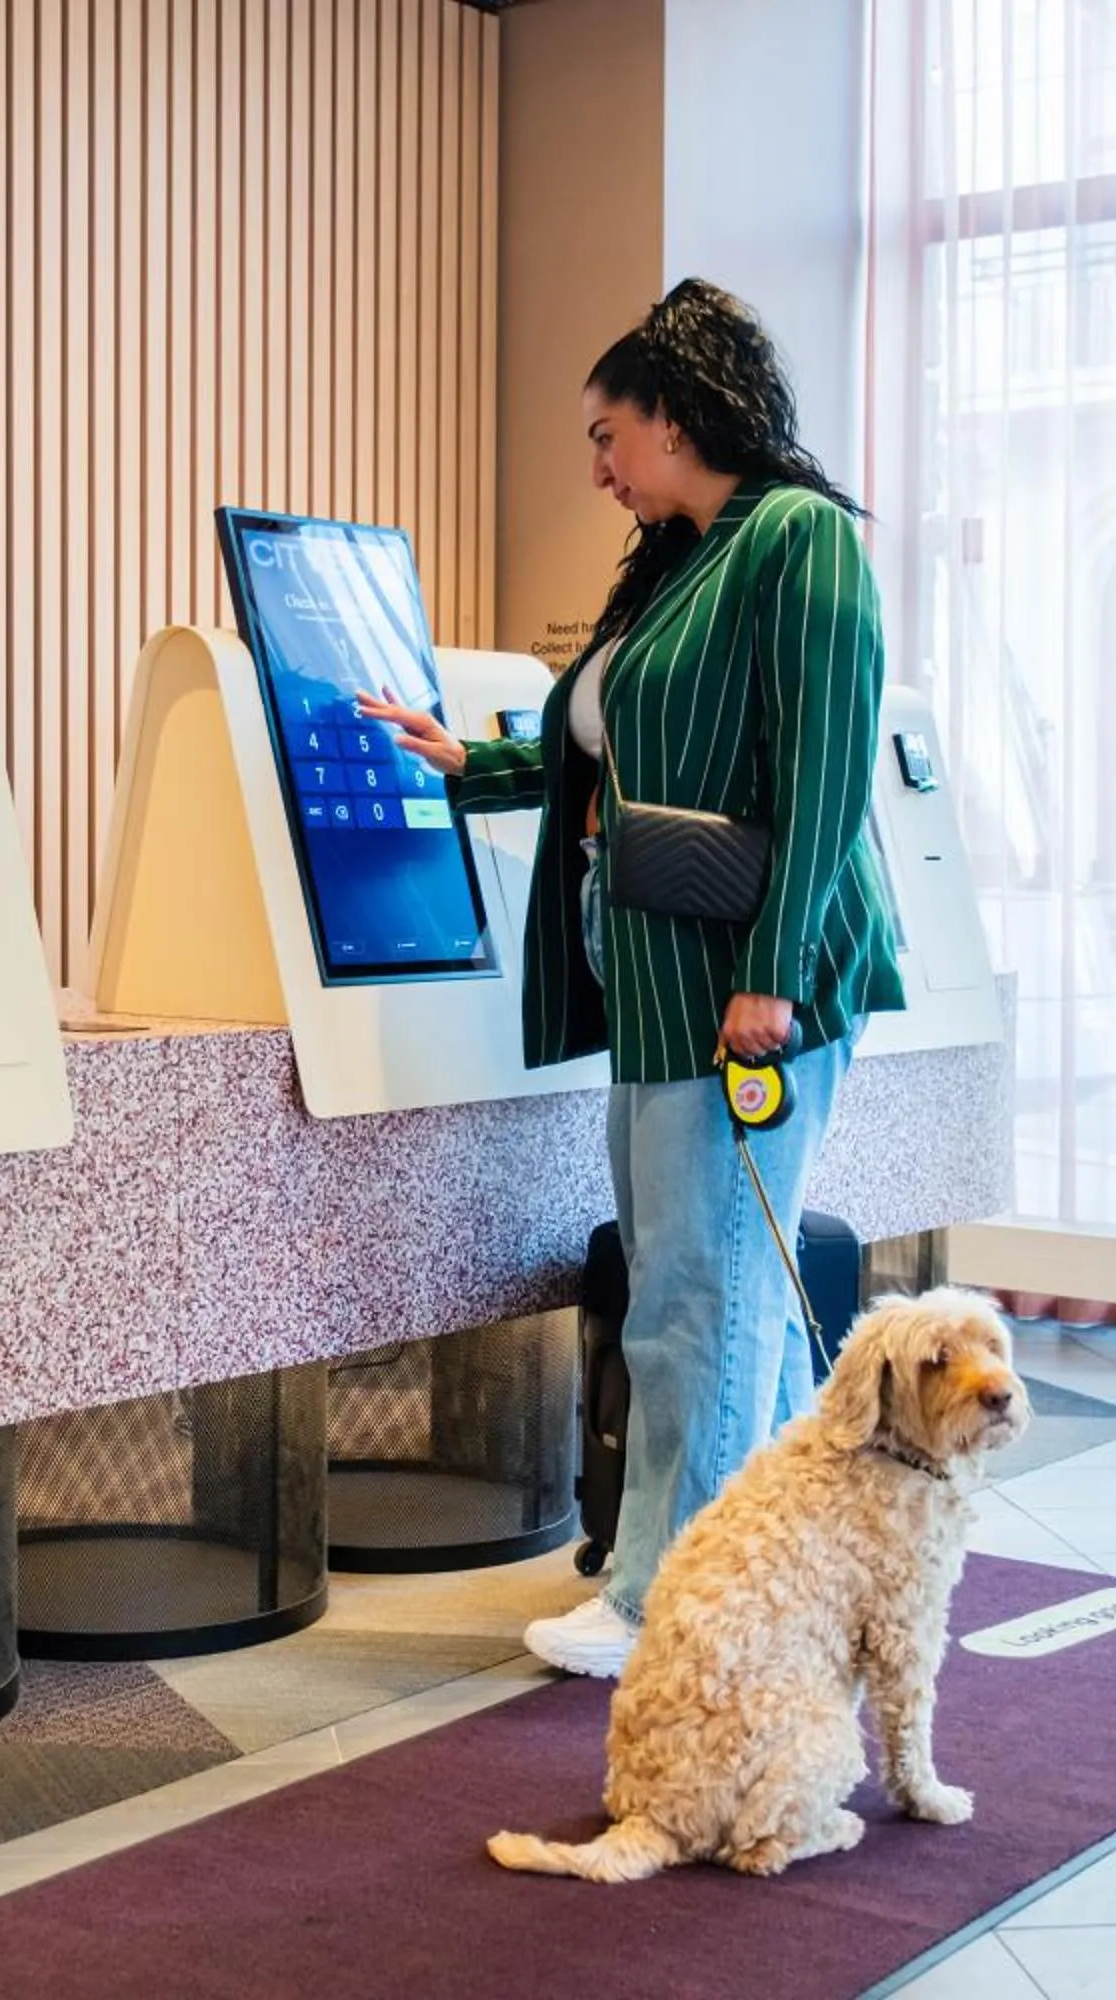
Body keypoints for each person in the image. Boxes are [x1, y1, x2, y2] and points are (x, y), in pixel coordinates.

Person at [359, 279, 901, 1677]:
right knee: (715, 1286)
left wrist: (773, 976)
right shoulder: (680, 559)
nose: (597, 469)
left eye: (609, 436)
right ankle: (768, 1573)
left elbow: (828, 780)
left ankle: (665, 1597)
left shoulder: (797, 541)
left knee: (696, 1297)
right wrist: (471, 761)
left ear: (675, 416)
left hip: (743, 983)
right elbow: (622, 751)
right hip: (659, 983)